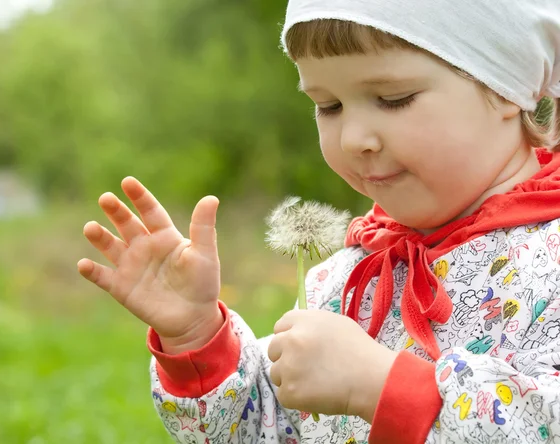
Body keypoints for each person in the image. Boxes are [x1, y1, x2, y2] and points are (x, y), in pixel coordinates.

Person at [77, 0, 560, 442]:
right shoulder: (345, 277)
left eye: (392, 98)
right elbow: (273, 429)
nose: (353, 138)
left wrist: (386, 389)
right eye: (328, 106)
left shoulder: (550, 260)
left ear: (506, 89)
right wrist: (195, 338)